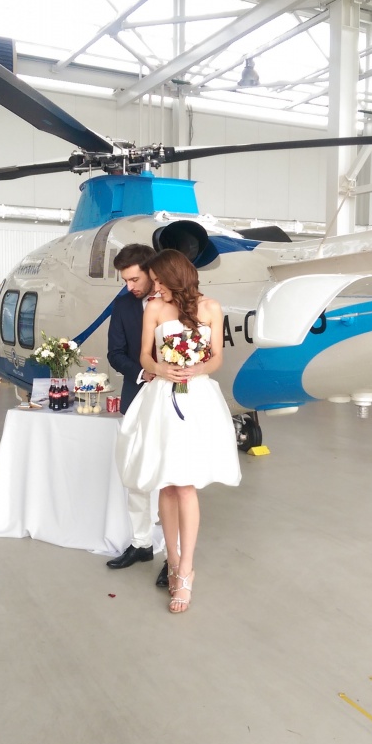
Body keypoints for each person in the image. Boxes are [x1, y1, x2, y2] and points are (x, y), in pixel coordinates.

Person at [116, 249, 241, 613]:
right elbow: (144, 355)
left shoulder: (211, 308)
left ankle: (186, 569)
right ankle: (171, 561)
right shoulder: (154, 308)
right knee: (167, 483)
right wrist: (161, 368)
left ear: (175, 276)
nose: (154, 287)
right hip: (161, 397)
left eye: (158, 280)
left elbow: (216, 358)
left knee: (185, 484)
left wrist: (197, 369)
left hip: (196, 398)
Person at [106, 244, 169, 587]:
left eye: (134, 279)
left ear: (151, 271)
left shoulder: (176, 303)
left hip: (175, 399)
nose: (129, 286)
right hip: (137, 395)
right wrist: (143, 373)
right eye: (125, 280)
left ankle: (173, 556)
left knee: (172, 477)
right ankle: (141, 543)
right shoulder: (123, 306)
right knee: (135, 473)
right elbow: (115, 353)